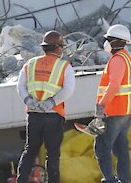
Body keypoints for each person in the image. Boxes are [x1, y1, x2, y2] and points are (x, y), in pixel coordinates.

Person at [16, 30, 75, 183]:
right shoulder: (64, 67)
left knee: (30, 150)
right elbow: (68, 90)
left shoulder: (30, 64)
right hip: (53, 115)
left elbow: (20, 86)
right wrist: (51, 103)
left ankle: (21, 180)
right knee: (53, 153)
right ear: (57, 48)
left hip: (34, 115)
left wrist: (29, 100)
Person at [92, 24, 131, 183]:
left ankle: (109, 179)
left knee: (102, 146)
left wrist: (101, 105)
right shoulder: (126, 58)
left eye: (108, 39)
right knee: (121, 148)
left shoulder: (118, 60)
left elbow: (114, 85)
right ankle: (124, 180)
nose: (105, 42)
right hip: (125, 111)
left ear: (116, 42)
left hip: (115, 111)